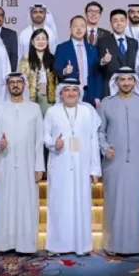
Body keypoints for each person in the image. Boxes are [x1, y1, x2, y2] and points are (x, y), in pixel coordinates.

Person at [97, 67, 139, 257]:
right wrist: (105, 147)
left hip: (137, 163)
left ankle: (135, 246)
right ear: (116, 82)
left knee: (135, 204)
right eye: (122, 79)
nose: (125, 83)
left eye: (129, 80)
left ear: (134, 82)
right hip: (114, 162)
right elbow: (99, 131)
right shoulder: (106, 104)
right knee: (114, 202)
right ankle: (112, 245)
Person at [43, 78, 102, 256]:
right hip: (59, 165)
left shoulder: (88, 111)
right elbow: (44, 138)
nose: (70, 93)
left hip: (82, 166)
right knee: (59, 205)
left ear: (79, 93)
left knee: (81, 204)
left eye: (74, 90)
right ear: (60, 93)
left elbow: (94, 141)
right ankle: (57, 245)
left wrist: (95, 169)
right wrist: (55, 143)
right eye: (66, 90)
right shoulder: (52, 112)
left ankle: (81, 245)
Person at [0, 73, 45, 255]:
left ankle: (26, 245)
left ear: (24, 85)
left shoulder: (34, 108)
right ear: (7, 86)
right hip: (4, 161)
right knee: (4, 202)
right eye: (11, 82)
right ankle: (4, 244)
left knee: (27, 202)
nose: (15, 85)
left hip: (28, 163)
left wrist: (39, 166)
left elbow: (40, 139)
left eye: (18, 82)